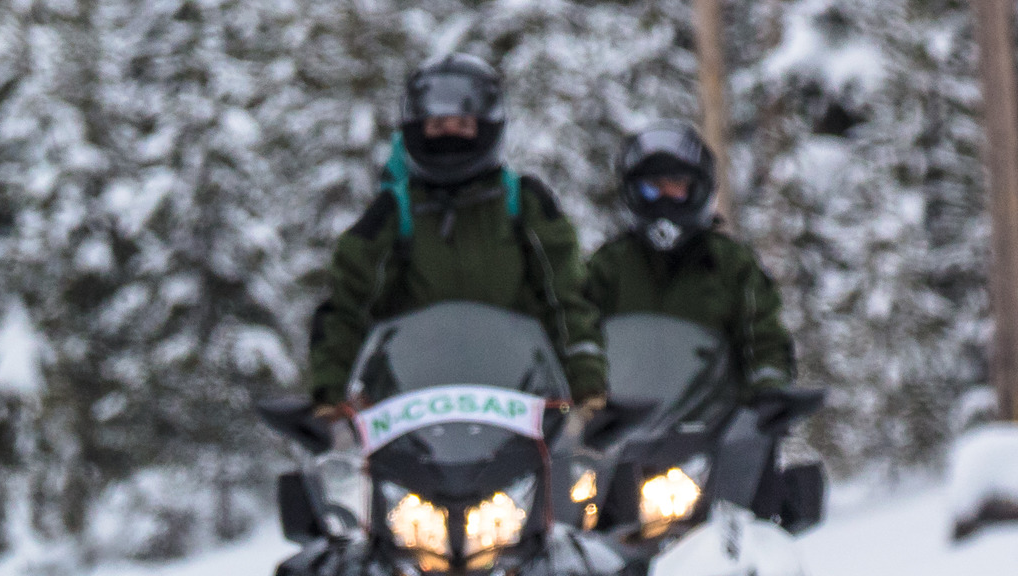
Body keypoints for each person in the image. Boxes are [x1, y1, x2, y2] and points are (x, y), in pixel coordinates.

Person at [300, 51, 607, 414]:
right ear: (416, 129)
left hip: (520, 408)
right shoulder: (392, 213)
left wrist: (587, 385)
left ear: (486, 127)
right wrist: (330, 394)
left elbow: (568, 298)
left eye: (462, 125)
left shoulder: (524, 204)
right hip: (409, 411)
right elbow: (345, 305)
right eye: (437, 126)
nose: (450, 136)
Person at [580, 122, 794, 385]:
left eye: (676, 185)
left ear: (698, 188)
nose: (665, 196)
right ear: (633, 190)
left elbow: (764, 338)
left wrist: (769, 388)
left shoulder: (731, 264)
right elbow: (577, 330)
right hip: (623, 416)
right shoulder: (610, 265)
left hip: (715, 418)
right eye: (653, 187)